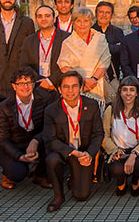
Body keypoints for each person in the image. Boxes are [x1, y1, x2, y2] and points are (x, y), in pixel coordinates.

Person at [0, 0, 36, 168]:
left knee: (20, 117)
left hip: (17, 79)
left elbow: (30, 49)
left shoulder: (26, 23)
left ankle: (20, 154)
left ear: (15, 0)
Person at [43, 72, 104, 212]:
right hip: (63, 151)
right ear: (59, 89)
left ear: (81, 87)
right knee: (51, 160)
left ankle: (73, 179)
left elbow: (98, 134)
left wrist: (89, 154)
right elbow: (50, 139)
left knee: (81, 195)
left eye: (74, 86)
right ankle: (58, 196)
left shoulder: (92, 105)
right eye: (66, 87)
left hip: (83, 152)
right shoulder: (51, 110)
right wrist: (72, 152)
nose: (70, 91)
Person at [0, 69, 53, 190]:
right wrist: (19, 156)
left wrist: (36, 141)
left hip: (35, 142)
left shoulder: (44, 100)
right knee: (18, 173)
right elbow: (2, 140)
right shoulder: (3, 108)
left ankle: (40, 175)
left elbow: (50, 127)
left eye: (29, 82)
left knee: (53, 146)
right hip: (13, 145)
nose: (25, 87)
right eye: (20, 83)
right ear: (14, 86)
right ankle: (7, 174)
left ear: (34, 84)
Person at [102, 77, 139, 197]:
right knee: (116, 169)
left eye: (132, 90)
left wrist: (133, 155)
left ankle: (136, 180)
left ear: (137, 93)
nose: (128, 93)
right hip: (118, 150)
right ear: (120, 92)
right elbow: (104, 135)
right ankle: (121, 180)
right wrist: (115, 151)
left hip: (137, 150)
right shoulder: (111, 110)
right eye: (125, 90)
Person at [57, 7, 112, 110]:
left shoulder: (99, 38)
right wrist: (83, 81)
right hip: (75, 85)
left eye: (86, 21)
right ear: (73, 23)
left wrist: (93, 79)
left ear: (91, 22)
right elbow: (64, 66)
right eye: (78, 21)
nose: (82, 24)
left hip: (96, 83)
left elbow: (105, 61)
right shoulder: (67, 42)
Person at [19, 5, 71, 94]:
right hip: (37, 86)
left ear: (54, 19)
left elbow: (68, 65)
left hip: (59, 87)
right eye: (40, 16)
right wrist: (40, 81)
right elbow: (24, 65)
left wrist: (50, 81)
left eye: (47, 16)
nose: (43, 19)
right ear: (36, 20)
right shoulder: (29, 40)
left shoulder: (66, 38)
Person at [93, 1, 124, 82]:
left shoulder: (118, 32)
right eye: (101, 12)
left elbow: (121, 50)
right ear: (96, 14)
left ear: (111, 15)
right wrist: (113, 47)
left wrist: (100, 48)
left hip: (112, 75)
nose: (104, 15)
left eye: (107, 12)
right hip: (93, 75)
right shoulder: (90, 30)